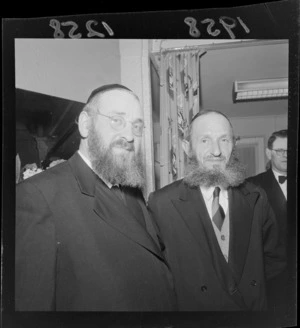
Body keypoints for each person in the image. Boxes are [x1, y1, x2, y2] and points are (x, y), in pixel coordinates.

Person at [15, 84, 177, 311]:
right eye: (117, 120)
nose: (129, 136)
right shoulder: (37, 196)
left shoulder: (131, 191)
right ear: (85, 124)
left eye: (137, 126)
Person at [148, 110, 286, 311]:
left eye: (224, 140)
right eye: (205, 140)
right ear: (188, 148)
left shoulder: (256, 197)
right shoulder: (162, 203)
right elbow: (157, 275)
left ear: (234, 145)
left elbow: (274, 259)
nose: (216, 151)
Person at [247, 130, 295, 323]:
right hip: (273, 274)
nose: (285, 155)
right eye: (280, 150)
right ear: (269, 153)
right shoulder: (252, 186)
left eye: (289, 150)